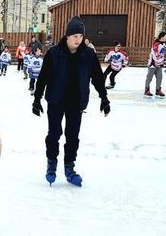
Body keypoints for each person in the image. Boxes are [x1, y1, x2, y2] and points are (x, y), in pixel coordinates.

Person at [33, 16, 110, 186]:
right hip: (56, 100)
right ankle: (51, 164)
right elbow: (43, 77)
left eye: (81, 36)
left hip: (76, 101)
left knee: (72, 136)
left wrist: (104, 97)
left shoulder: (88, 54)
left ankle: (69, 167)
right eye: (75, 36)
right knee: (54, 133)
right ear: (67, 35)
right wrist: (37, 99)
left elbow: (97, 77)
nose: (78, 39)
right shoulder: (54, 53)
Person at [144, 32, 166, 97]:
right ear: (162, 37)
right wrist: (158, 61)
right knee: (149, 77)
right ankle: (146, 89)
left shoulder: (163, 44)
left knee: (159, 77)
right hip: (153, 63)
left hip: (159, 64)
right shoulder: (156, 44)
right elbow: (155, 54)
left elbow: (162, 55)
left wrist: (161, 62)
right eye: (165, 36)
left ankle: (158, 90)